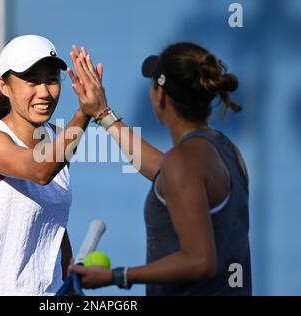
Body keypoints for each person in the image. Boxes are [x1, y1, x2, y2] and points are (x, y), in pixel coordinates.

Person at [68, 43, 252, 295]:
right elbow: (168, 173)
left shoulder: (184, 162)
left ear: (161, 96)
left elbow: (200, 261)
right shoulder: (223, 149)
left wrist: (117, 275)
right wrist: (102, 112)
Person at [0, 35, 103, 296]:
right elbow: (39, 171)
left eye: (51, 80)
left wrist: (68, 282)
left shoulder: (59, 139)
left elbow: (53, 222)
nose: (44, 92)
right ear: (4, 85)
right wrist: (84, 114)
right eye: (32, 81)